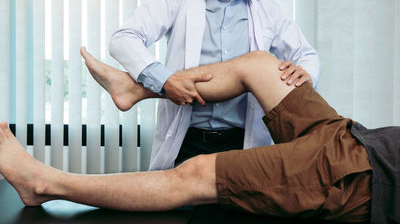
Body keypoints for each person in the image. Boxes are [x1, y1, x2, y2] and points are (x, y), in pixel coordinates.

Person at [1, 49, 398, 223]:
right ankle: (135, 89)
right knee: (260, 64)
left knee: (194, 174)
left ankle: (44, 184)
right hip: (357, 138)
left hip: (362, 175)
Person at [108, 0, 321, 169]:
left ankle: (134, 90)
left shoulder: (268, 10)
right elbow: (124, 38)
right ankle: (133, 90)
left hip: (241, 143)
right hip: (186, 140)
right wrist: (164, 81)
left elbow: (306, 55)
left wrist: (305, 73)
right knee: (175, 200)